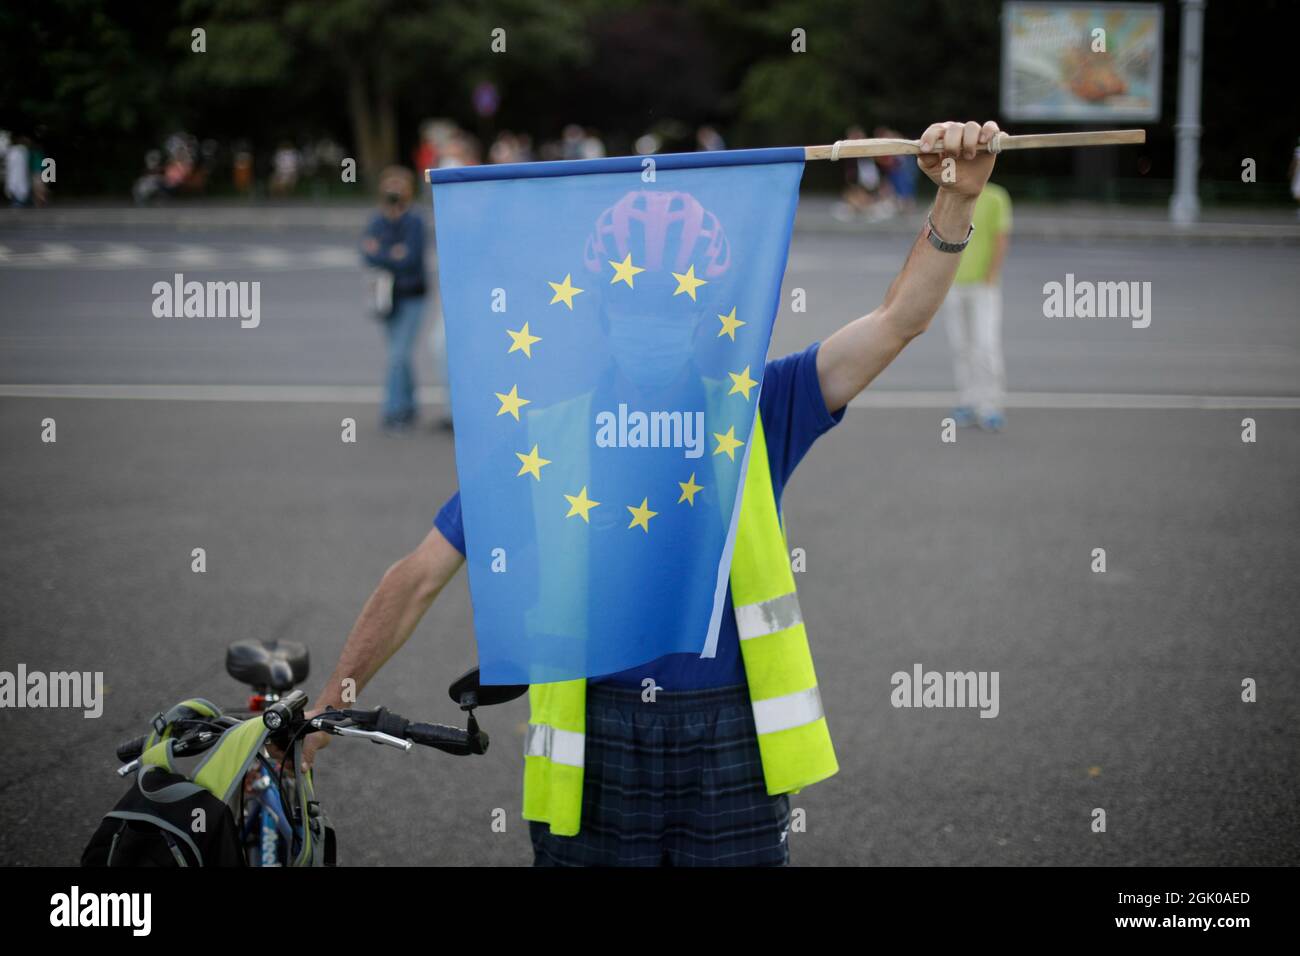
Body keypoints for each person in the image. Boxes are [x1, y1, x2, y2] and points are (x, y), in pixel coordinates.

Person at [309, 120, 1003, 865]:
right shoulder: (548, 436)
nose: (653, 319)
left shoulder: (755, 405)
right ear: (602, 311)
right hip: (596, 744)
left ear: (702, 311)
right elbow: (418, 577)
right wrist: (323, 714)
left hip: (730, 736)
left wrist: (956, 202)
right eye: (632, 300)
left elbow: (901, 320)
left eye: (674, 302)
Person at [360, 166, 428, 433]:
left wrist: (383, 252)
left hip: (412, 295)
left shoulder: (415, 221)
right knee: (398, 356)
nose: (394, 192)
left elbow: (410, 259)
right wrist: (393, 253)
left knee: (397, 355)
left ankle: (393, 410)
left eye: (399, 186)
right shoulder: (378, 220)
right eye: (390, 186)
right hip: (384, 297)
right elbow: (366, 253)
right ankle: (409, 404)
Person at [940, 180, 1012, 431]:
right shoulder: (951, 194)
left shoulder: (996, 196)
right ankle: (968, 399)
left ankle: (990, 404)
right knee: (961, 346)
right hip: (953, 283)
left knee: (985, 345)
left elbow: (1001, 236)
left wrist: (991, 276)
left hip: (983, 285)